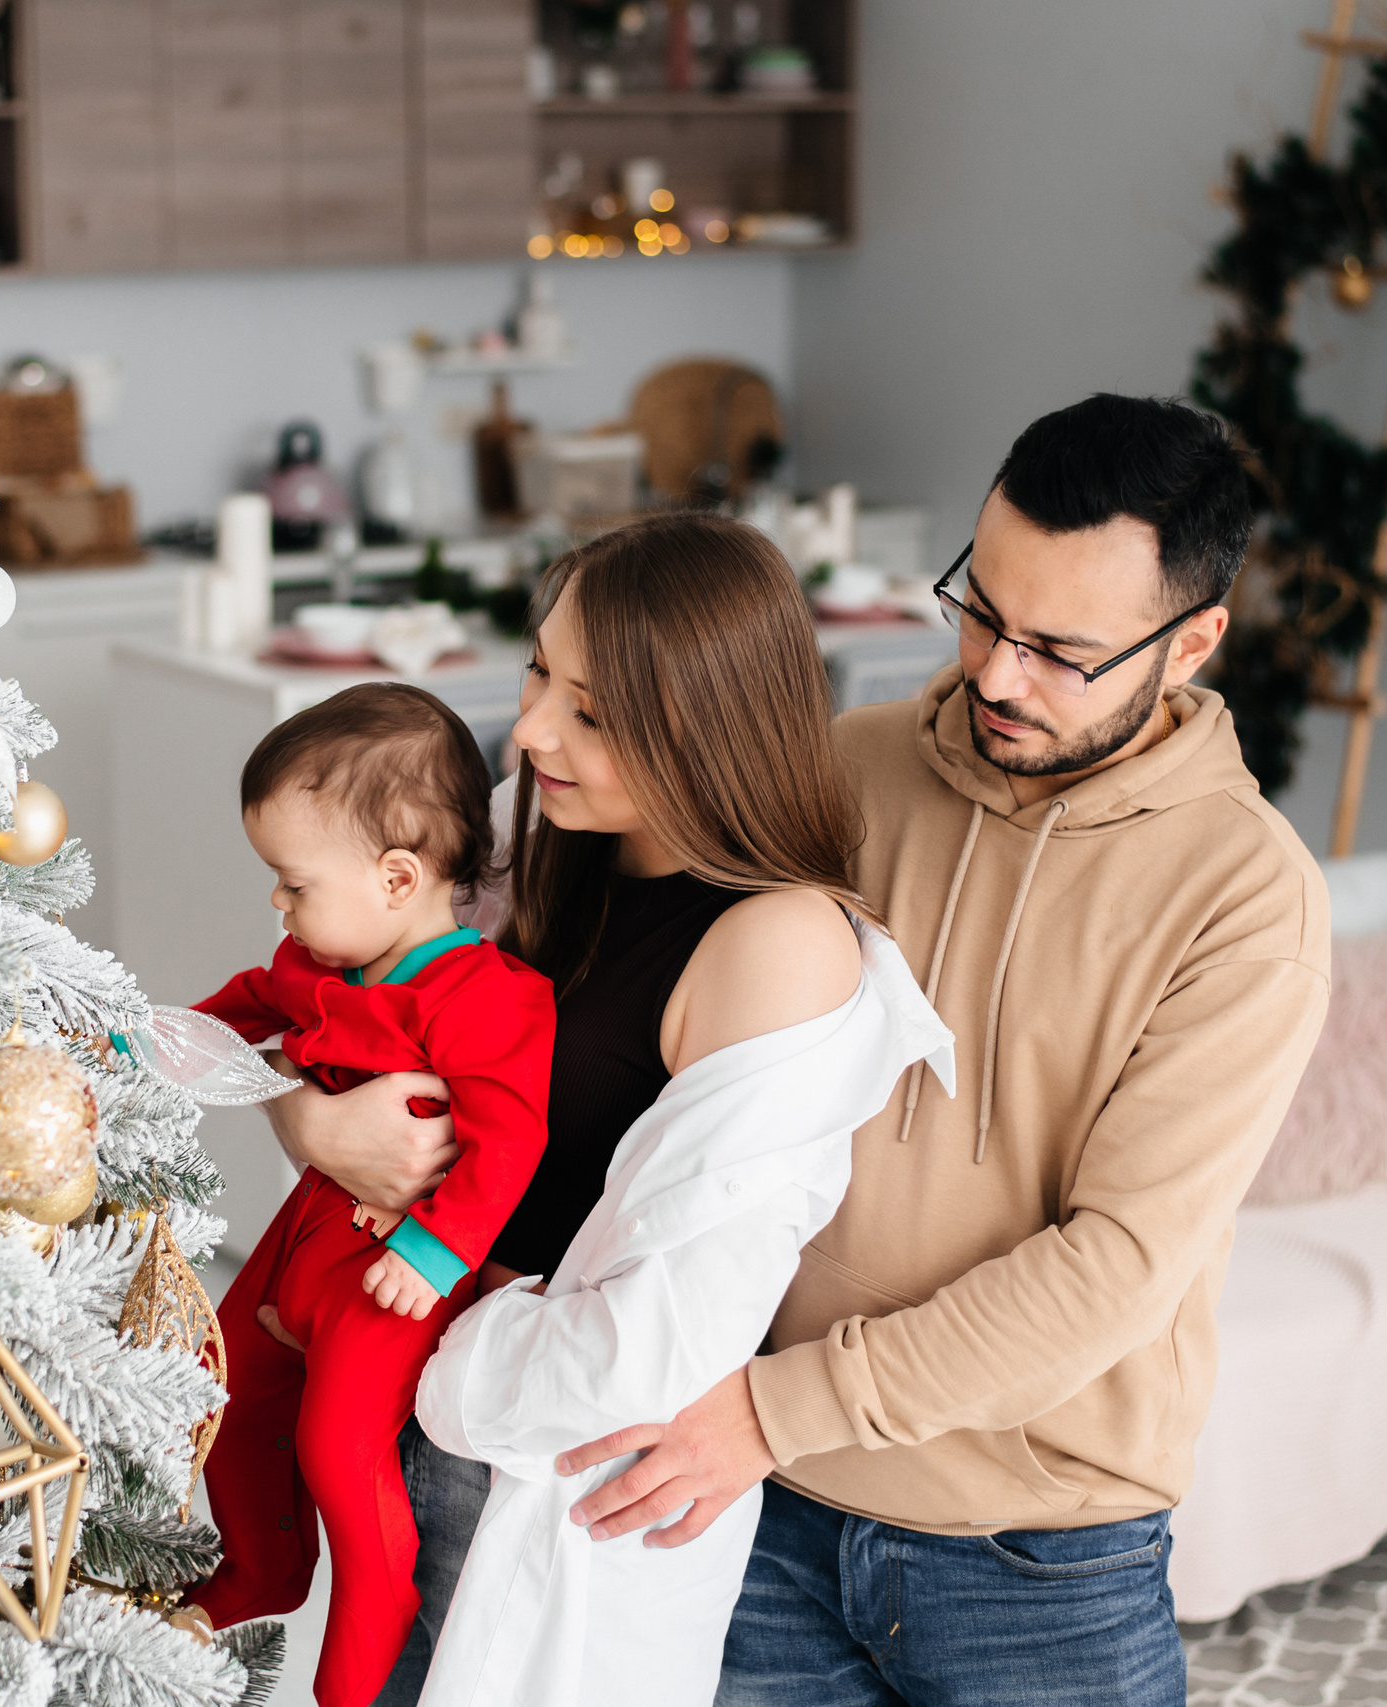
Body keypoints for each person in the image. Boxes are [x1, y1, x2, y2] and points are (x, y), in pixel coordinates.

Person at [554, 394, 1335, 1705]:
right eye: (980, 607)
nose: (994, 670)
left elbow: (1117, 1265)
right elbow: (621, 1009)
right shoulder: (849, 771)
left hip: (1039, 1553)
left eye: (1060, 648)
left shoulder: (1246, 900)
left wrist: (776, 1408)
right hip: (762, 1507)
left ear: (1192, 641)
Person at [255, 513, 946, 1707]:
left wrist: (418, 1356)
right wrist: (305, 1127)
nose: (526, 729)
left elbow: (660, 1346)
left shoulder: (775, 943)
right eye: (537, 670)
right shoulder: (551, 846)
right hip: (402, 1403)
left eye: (590, 709)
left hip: (523, 1459)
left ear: (705, 725)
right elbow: (315, 1002)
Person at [184, 683, 557, 1707]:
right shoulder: (316, 961)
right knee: (224, 1377)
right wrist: (151, 1038)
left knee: (340, 1450)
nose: (279, 905)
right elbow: (246, 1008)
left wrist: (436, 1253)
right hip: (306, 1229)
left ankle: (356, 1664)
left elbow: (508, 1136)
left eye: (292, 882)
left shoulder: (488, 998)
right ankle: (262, 1568)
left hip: (391, 1268)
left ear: (397, 879)